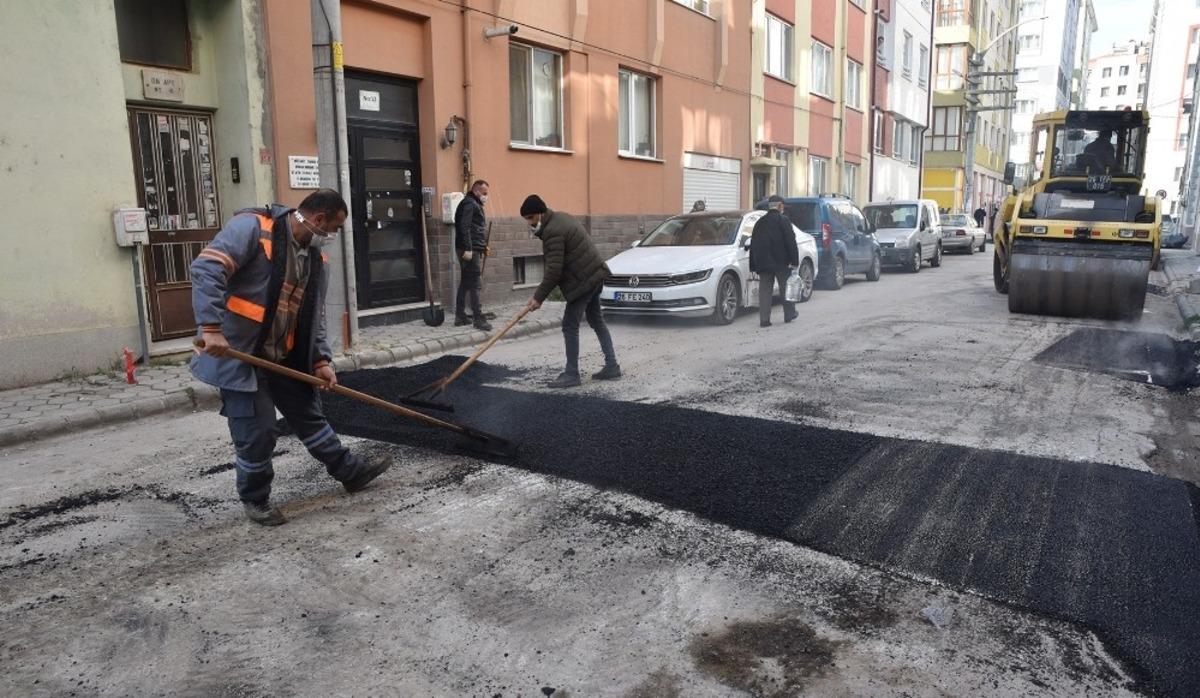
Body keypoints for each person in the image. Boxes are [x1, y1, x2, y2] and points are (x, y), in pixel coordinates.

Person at [191, 189, 391, 526]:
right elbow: (207, 268)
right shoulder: (252, 228)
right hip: (240, 355)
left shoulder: (316, 260)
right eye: (334, 229)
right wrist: (210, 327)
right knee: (258, 430)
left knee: (308, 415)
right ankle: (255, 499)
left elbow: (314, 319)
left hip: (283, 355)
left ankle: (349, 472)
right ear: (319, 219)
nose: (333, 236)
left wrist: (321, 361)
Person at [520, 194, 620, 388]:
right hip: (594, 273)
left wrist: (538, 298)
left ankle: (572, 373)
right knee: (596, 319)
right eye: (526, 219)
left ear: (540, 213)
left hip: (583, 280)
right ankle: (612, 365)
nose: (529, 223)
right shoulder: (560, 217)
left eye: (531, 218)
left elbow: (554, 271)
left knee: (569, 324)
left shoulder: (552, 231)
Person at [749, 195, 799, 328]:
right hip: (781, 262)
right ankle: (789, 314)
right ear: (780, 206)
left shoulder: (760, 222)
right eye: (783, 206)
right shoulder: (783, 220)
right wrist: (795, 260)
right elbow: (790, 241)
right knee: (785, 288)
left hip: (764, 262)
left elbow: (754, 244)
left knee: (765, 290)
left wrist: (753, 265)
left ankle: (764, 320)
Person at [454, 179, 493, 331]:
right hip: (469, 250)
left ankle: (460, 316)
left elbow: (475, 228)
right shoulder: (470, 204)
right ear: (476, 191)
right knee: (475, 282)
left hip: (472, 248)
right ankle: (478, 319)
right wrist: (469, 249)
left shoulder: (472, 203)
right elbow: (465, 227)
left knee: (465, 281)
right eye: (484, 193)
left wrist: (483, 246)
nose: (486, 196)